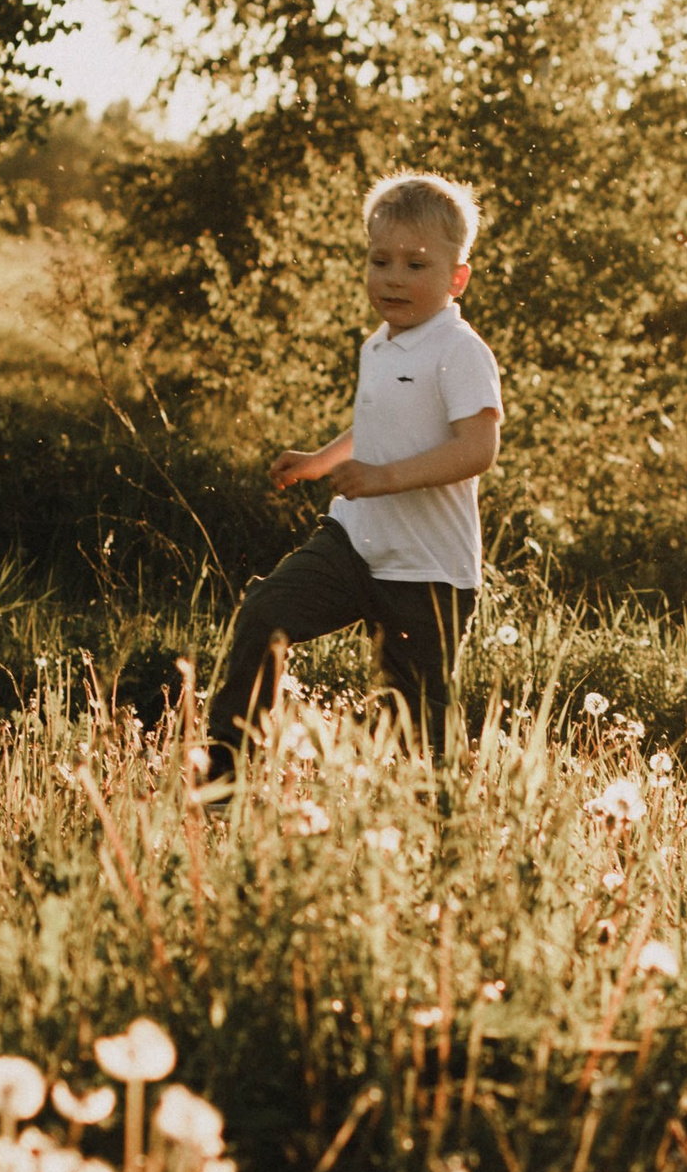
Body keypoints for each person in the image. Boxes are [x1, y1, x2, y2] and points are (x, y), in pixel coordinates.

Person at [202, 171, 504, 788]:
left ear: (457, 278)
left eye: (416, 265)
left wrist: (385, 477)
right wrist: (319, 460)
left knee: (421, 728)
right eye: (380, 259)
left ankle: (451, 844)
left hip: (427, 572)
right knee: (264, 615)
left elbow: (478, 449)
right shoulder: (379, 345)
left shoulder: (459, 349)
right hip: (355, 544)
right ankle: (220, 783)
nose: (394, 277)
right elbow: (379, 425)